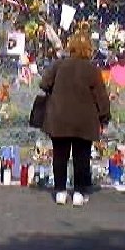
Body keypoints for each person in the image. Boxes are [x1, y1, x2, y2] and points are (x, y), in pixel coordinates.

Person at [40, 31, 110, 207]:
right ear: (89, 49)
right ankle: (79, 192)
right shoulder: (92, 69)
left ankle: (60, 191)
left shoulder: (59, 65)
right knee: (82, 157)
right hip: (84, 120)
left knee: (60, 155)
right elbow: (101, 96)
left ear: (70, 47)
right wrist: (104, 118)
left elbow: (44, 84)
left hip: (60, 118)